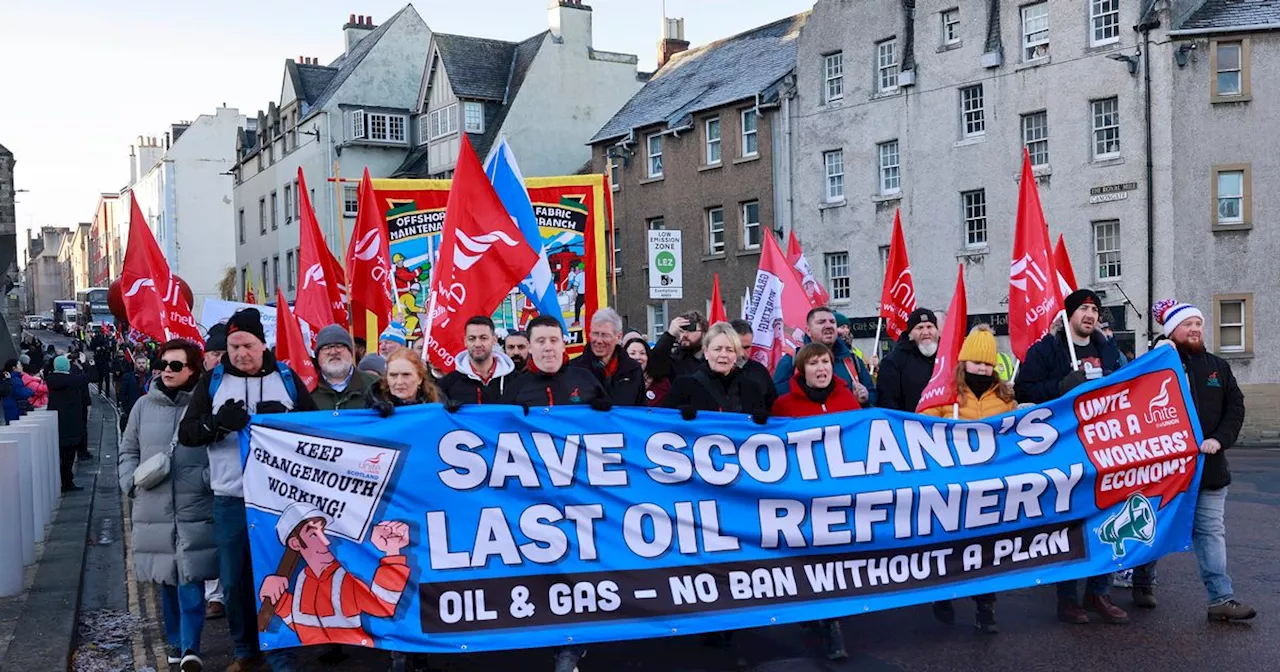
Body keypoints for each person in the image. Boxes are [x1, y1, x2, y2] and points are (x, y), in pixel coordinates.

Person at [178, 308, 317, 672]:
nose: (240, 353)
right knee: (235, 579)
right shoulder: (213, 381)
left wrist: (286, 424)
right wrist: (217, 425)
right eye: (233, 346)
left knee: (279, 575)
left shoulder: (286, 379)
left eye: (248, 345)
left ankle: (281, 652)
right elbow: (188, 434)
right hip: (231, 498)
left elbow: (318, 431)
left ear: (263, 344)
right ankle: (244, 651)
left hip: (281, 501)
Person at [1130, 300, 1255, 620]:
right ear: (1172, 330)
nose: (1196, 329)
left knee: (1211, 533)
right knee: (1154, 528)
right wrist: (1161, 353)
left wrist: (1219, 440)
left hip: (1209, 470)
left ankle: (1221, 599)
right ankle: (1143, 583)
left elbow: (1235, 408)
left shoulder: (1217, 366)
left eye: (1199, 324)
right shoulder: (1156, 365)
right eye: (1188, 324)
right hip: (1164, 471)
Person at [1015, 289, 1128, 625]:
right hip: (1064, 450)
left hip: (1105, 447)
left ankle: (1100, 592)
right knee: (1071, 521)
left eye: (1095, 309)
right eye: (1083, 309)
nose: (1090, 315)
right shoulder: (1047, 350)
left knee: (1107, 519)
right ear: (1069, 315)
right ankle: (1068, 598)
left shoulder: (1109, 351)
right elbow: (1025, 391)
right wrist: (1063, 385)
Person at [118, 340, 216, 671]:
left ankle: (191, 647)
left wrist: (207, 479)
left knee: (191, 579)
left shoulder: (205, 405)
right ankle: (175, 641)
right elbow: (128, 449)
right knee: (166, 581)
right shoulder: (143, 406)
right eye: (164, 364)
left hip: (193, 506)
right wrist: (130, 482)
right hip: (154, 507)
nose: (167, 371)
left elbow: (220, 452)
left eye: (176, 365)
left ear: (193, 369)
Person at [920, 326, 1013, 633]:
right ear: (964, 363)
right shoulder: (945, 394)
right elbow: (919, 428)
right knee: (949, 545)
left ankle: (985, 606)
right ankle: (943, 595)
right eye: (977, 362)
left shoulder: (1005, 398)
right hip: (950, 487)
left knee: (985, 549)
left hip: (988, 489)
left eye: (987, 364)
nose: (982, 369)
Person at [773, 307, 874, 407]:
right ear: (808, 331)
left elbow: (873, 396)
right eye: (821, 322)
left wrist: (866, 397)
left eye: (832, 322)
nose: (829, 326)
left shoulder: (852, 360)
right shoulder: (792, 360)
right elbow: (776, 399)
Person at [501, 315, 607, 409]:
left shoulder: (586, 379)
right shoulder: (516, 388)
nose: (548, 347)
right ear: (529, 347)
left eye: (554, 340)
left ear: (563, 345)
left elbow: (615, 421)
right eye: (541, 341)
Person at [197, 322, 229, 621]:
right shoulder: (198, 386)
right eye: (214, 353)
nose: (218, 359)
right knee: (208, 539)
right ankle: (213, 595)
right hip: (198, 478)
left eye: (224, 353)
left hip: (230, 480)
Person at [568, 308, 645, 406]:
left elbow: (641, 413)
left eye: (605, 335)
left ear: (619, 336)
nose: (599, 340)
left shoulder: (633, 370)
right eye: (595, 334)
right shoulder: (573, 369)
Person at [439, 316, 518, 405]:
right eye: (472, 339)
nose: (477, 344)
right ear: (465, 341)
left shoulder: (516, 380)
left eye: (483, 338)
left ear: (494, 340)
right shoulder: (448, 383)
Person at [771, 342, 861, 417]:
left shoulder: (847, 398)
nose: (821, 368)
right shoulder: (783, 406)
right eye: (813, 363)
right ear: (802, 369)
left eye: (825, 362)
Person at [877, 308, 939, 412]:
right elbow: (887, 402)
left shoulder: (947, 357)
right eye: (919, 328)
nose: (925, 332)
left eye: (929, 327)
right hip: (909, 424)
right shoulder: (893, 361)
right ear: (910, 333)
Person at [47, 355, 91, 491]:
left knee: (58, 455)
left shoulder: (50, 379)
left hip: (55, 422)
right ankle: (67, 482)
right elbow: (91, 376)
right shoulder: (73, 380)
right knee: (68, 456)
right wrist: (86, 364)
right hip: (71, 423)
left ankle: (61, 481)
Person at [310, 325, 380, 411]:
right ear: (318, 356)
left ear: (351, 352)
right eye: (326, 348)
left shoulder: (376, 385)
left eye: (339, 346)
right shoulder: (306, 390)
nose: (333, 352)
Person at [730, 319, 780, 410]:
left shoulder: (760, 371)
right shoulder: (714, 371)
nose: (742, 353)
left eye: (746, 347)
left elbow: (773, 407)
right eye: (737, 347)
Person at [651, 311, 708, 381]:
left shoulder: (711, 359)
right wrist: (670, 335)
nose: (684, 335)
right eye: (681, 330)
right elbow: (655, 366)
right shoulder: (675, 359)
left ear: (704, 333)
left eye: (691, 330)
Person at [624, 337, 670, 406]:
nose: (637, 357)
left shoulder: (662, 383)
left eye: (642, 353)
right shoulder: (618, 382)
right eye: (632, 353)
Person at [117, 352, 152, 432]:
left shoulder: (150, 378)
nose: (141, 365)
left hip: (146, 412)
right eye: (139, 363)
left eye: (143, 363)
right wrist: (126, 409)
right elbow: (123, 393)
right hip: (132, 410)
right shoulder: (128, 377)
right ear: (135, 364)